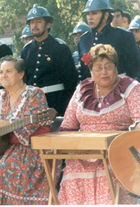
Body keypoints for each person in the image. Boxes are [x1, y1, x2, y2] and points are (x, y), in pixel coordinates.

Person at [0, 55, 60, 205]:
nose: (3, 75)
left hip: (30, 152)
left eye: (8, 71)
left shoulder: (34, 94)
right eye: (1, 72)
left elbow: (29, 128)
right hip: (4, 150)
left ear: (21, 74)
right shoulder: (1, 96)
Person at [57, 44, 140, 205]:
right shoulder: (82, 89)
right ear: (90, 70)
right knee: (72, 168)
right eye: (98, 67)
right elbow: (68, 125)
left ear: (116, 67)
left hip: (117, 155)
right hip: (82, 155)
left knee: (105, 171)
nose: (104, 72)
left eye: (108, 66)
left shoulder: (130, 87)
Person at [21, 4, 78, 116]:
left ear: (48, 24)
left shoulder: (60, 48)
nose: (35, 25)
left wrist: (67, 108)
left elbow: (70, 83)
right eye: (32, 22)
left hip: (57, 103)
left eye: (39, 21)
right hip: (33, 105)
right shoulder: (26, 50)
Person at [77, 0, 140, 81]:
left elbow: (134, 67)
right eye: (88, 14)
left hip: (118, 89)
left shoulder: (123, 36)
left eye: (94, 13)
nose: (89, 18)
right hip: (92, 91)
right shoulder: (83, 40)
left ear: (106, 15)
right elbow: (82, 72)